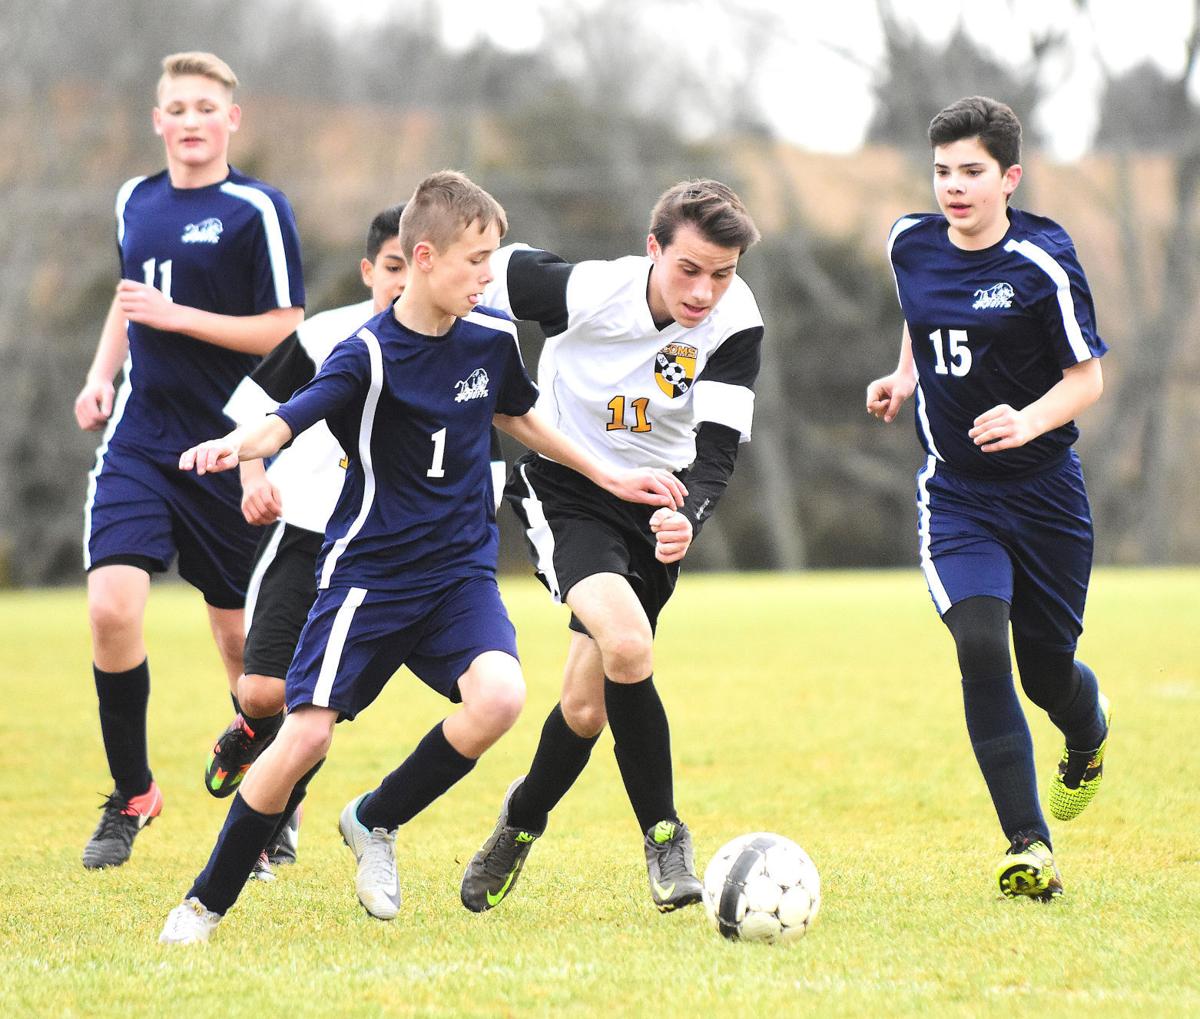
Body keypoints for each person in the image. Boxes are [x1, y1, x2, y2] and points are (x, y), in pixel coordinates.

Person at [158, 170, 687, 944]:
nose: (488, 273)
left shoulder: (491, 337)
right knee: (305, 738)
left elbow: (522, 416)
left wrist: (611, 475)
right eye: (476, 259)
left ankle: (374, 819)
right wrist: (239, 446)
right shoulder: (367, 354)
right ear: (426, 256)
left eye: (494, 256)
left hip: (459, 575)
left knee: (501, 696)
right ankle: (203, 903)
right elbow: (288, 419)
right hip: (369, 578)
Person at [459, 179, 764, 915]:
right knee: (628, 643)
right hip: (566, 490)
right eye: (689, 268)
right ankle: (665, 834)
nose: (705, 291)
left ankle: (520, 821)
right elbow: (482, 267)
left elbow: (717, 449)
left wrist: (688, 515)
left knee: (586, 707)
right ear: (653, 249)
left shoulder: (737, 319)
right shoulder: (587, 292)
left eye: (722, 274)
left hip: (654, 502)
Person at [205, 204, 509, 879]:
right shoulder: (332, 339)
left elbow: (477, 444)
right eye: (390, 269)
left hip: (396, 556)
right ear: (374, 268)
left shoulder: (460, 347)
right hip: (308, 529)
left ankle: (275, 827)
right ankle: (251, 736)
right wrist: (253, 479)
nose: (401, 283)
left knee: (310, 708)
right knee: (262, 694)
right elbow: (260, 414)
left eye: (411, 269)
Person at [865, 96, 1112, 901]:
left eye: (971, 172)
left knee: (1046, 673)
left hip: (1045, 498)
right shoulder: (908, 242)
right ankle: (1028, 843)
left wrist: (1028, 417)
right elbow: (921, 317)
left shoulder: (1043, 261)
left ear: (1009, 177)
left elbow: (1088, 377)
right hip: (957, 496)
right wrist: (904, 377)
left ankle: (1088, 725)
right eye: (941, 171)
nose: (953, 188)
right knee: (978, 640)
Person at [74, 51, 304, 870]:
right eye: (178, 107)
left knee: (247, 655)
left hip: (231, 446)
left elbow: (286, 328)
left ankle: (274, 799)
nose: (193, 120)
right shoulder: (133, 198)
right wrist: (103, 375)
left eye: (208, 107)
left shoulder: (257, 211)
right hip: (140, 438)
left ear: (230, 120)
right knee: (110, 607)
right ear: (159, 120)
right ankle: (132, 792)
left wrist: (180, 317)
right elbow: (127, 295)